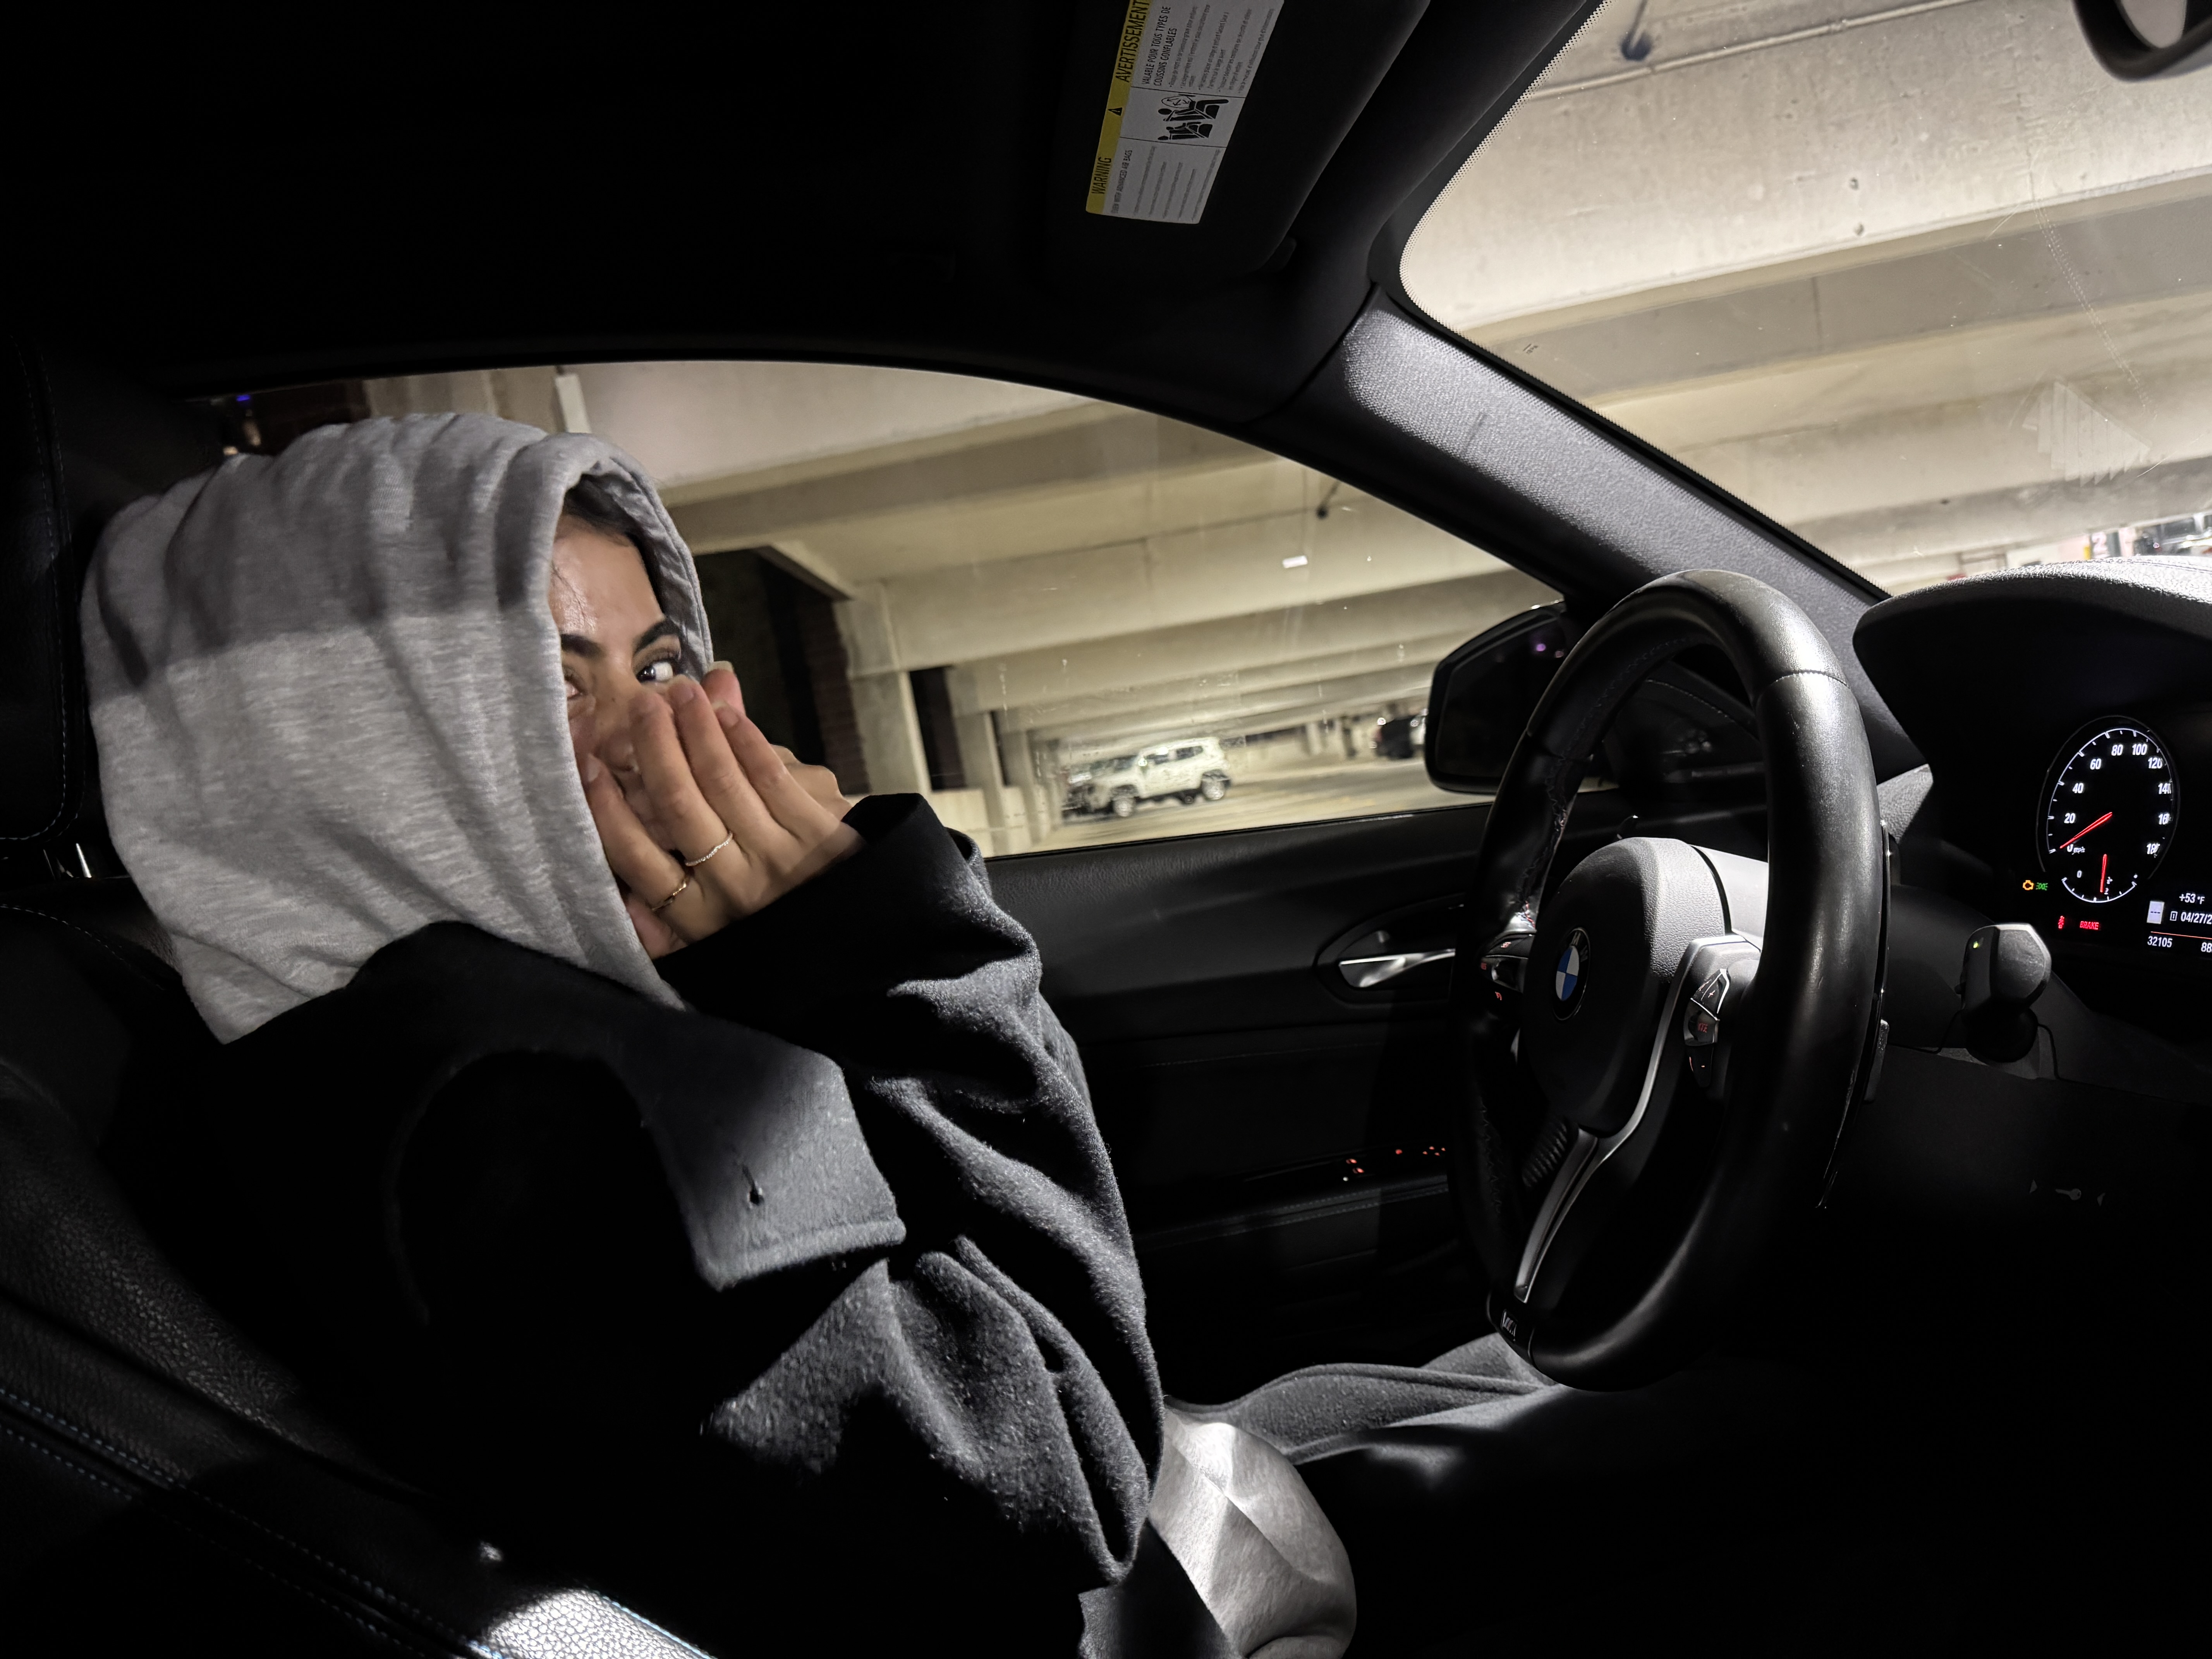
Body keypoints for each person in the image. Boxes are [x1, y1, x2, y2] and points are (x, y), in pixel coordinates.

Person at [81, 413, 1160, 1655]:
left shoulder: (443, 1031)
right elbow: (1069, 1469)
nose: (660, 746)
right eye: (552, 686)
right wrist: (907, 949)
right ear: (355, 750)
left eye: (655, 671)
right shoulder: (510, 1126)